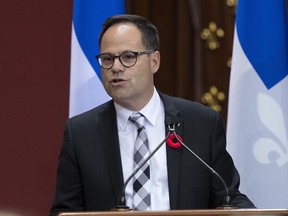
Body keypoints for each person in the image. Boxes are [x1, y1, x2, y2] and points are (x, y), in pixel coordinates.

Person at [50, 14, 255, 215]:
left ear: (154, 61)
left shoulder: (201, 124)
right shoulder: (81, 133)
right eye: (107, 59)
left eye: (128, 57)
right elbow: (65, 211)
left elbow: (229, 198)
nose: (116, 67)